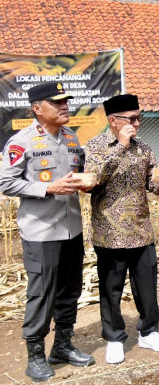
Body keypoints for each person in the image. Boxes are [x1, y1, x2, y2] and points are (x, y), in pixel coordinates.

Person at [0, 82, 95, 382]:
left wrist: (84, 182)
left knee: (70, 291)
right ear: (37, 108)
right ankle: (36, 356)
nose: (65, 106)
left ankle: (63, 347)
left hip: (71, 229)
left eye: (66, 101)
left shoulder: (70, 137)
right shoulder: (22, 142)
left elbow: (75, 174)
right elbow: (6, 182)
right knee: (42, 294)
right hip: (42, 233)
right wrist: (47, 187)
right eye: (57, 103)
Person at [85, 94, 159, 364]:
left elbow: (151, 185)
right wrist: (120, 147)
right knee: (111, 288)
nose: (137, 123)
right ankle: (114, 337)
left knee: (146, 285)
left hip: (141, 230)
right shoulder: (96, 146)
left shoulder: (144, 149)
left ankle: (149, 331)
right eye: (131, 119)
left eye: (139, 118)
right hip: (108, 232)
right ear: (113, 121)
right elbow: (92, 180)